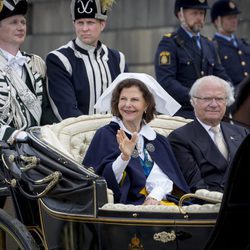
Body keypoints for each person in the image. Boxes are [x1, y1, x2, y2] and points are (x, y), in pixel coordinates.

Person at [83, 73, 190, 205]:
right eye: (123, 99)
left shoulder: (158, 140)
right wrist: (124, 158)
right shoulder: (106, 134)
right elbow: (101, 182)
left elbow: (166, 176)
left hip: (161, 203)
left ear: (146, 105)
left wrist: (154, 196)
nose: (127, 105)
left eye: (134, 100)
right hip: (126, 206)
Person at [0, 0, 58, 207]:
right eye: (13, 22)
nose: (21, 27)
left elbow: (46, 109)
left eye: (23, 22)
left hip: (34, 153)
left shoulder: (35, 62)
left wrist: (51, 134)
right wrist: (14, 135)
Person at [46, 0, 128, 120]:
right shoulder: (59, 59)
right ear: (74, 24)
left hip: (116, 134)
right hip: (76, 135)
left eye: (90, 22)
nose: (85, 28)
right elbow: (66, 109)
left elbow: (127, 100)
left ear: (102, 24)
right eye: (80, 23)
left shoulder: (118, 59)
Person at [168, 75, 249, 193]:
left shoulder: (241, 132)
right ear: (193, 102)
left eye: (220, 99)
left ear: (226, 102)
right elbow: (196, 186)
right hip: (213, 204)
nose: (214, 104)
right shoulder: (180, 138)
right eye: (207, 99)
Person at [154, 0, 231, 119]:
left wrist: (230, 92)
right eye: (194, 13)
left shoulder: (208, 44)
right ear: (180, 15)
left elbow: (220, 75)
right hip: (182, 112)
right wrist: (197, 96)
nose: (199, 18)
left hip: (210, 110)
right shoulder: (169, 43)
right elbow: (166, 81)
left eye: (201, 13)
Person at [211, 0, 250, 89]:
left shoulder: (244, 44)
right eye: (229, 18)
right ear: (217, 21)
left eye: (235, 17)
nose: (234, 21)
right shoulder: (213, 47)